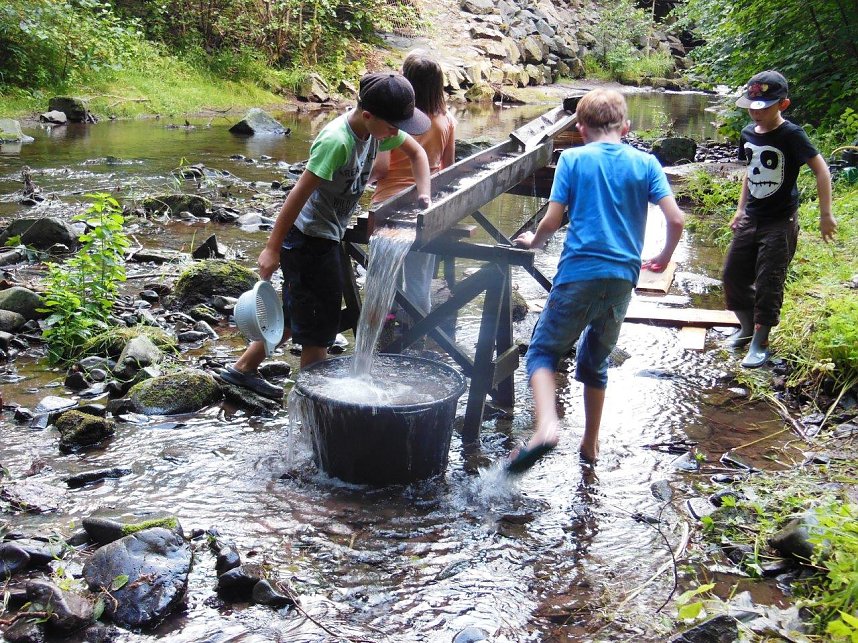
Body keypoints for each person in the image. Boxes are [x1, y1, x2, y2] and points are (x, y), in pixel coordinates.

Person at [218, 73, 432, 399]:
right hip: (308, 240)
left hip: (327, 234)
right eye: (393, 125)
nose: (396, 132)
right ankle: (313, 409)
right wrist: (271, 249)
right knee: (318, 330)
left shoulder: (376, 132)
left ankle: (242, 369)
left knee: (297, 312)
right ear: (368, 115)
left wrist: (424, 197)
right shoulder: (337, 141)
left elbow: (418, 154)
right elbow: (297, 195)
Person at [509, 88, 685, 471]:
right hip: (622, 278)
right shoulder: (647, 163)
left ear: (581, 127)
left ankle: (546, 427)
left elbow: (553, 220)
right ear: (626, 126)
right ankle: (590, 445)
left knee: (542, 352)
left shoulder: (572, 159)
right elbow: (676, 219)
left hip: (578, 273)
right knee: (595, 360)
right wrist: (662, 257)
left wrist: (533, 242)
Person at [723, 70, 836, 368]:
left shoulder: (792, 135)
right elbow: (751, 170)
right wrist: (740, 208)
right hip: (752, 217)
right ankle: (747, 329)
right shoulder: (747, 133)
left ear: (782, 105)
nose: (756, 112)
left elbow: (822, 170)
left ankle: (761, 341)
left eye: (764, 107)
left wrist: (826, 215)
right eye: (752, 106)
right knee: (732, 274)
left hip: (780, 221)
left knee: (769, 280)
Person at [370, 50, 456, 334]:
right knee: (419, 278)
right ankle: (418, 331)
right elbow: (448, 169)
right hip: (424, 206)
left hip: (387, 206)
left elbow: (381, 169)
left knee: (382, 278)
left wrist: (360, 179)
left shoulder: (391, 121)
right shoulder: (446, 120)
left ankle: (381, 324)